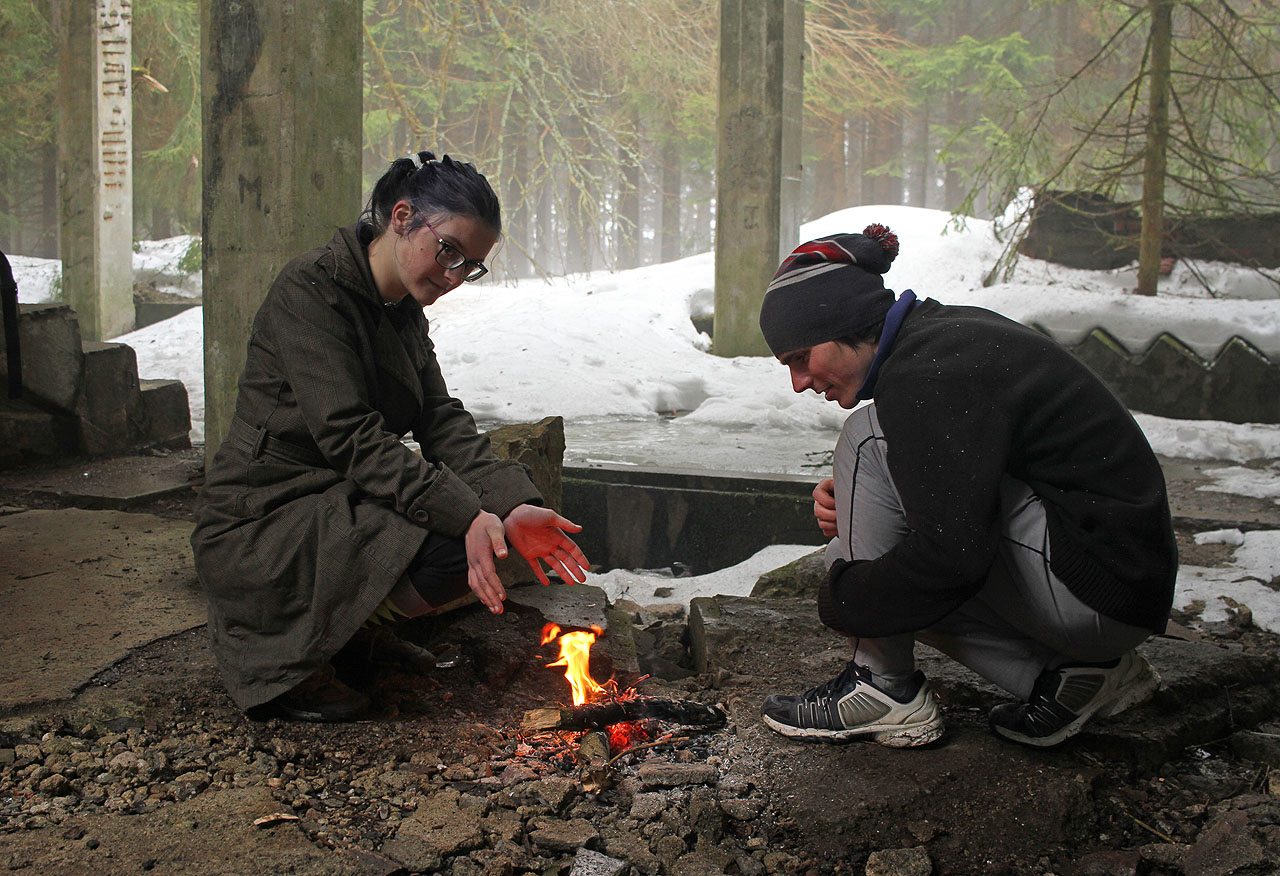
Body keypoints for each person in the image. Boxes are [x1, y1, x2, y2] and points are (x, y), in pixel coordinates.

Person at [191, 150, 590, 722]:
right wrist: (464, 512)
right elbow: (349, 435)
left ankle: (346, 636)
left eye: (469, 265)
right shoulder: (310, 290)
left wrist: (513, 504)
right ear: (401, 216)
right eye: (448, 250)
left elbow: (439, 418)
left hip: (341, 501)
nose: (453, 276)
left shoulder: (400, 309)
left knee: (483, 540)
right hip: (266, 513)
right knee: (463, 534)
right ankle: (290, 663)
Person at [756, 224, 1177, 748]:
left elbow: (952, 558)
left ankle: (882, 687)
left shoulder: (927, 375)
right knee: (862, 556)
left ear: (839, 322)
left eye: (799, 358)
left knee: (865, 453)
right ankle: (1074, 677)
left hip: (1095, 584)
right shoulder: (941, 341)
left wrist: (842, 596)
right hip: (1118, 592)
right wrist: (869, 511)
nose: (798, 382)